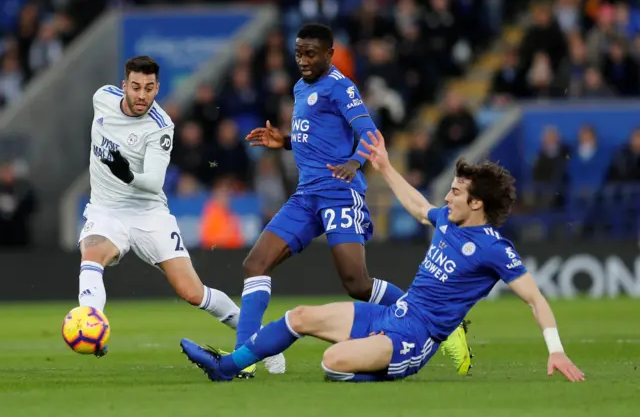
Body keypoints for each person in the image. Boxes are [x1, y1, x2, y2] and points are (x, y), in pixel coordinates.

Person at [180, 130, 585, 383]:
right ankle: (227, 367)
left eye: (456, 193)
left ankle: (379, 372)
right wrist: (386, 168)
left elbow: (536, 299)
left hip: (414, 338)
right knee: (299, 316)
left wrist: (555, 348)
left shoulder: (495, 249)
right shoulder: (448, 221)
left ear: (477, 204)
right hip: (392, 314)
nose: (447, 198)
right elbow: (417, 206)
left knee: (332, 363)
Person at [235, 23, 472, 378]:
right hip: (306, 196)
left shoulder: (341, 87)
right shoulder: (301, 87)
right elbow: (318, 137)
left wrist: (354, 162)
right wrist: (284, 141)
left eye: (311, 53)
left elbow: (370, 134)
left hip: (338, 194)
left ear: (330, 55)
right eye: (298, 52)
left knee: (357, 284)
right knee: (255, 264)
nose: (302, 59)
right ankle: (242, 358)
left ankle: (443, 323)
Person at [76, 55, 284, 374]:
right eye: (135, 87)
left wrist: (127, 173)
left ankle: (259, 340)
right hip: (106, 210)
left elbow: (154, 183)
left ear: (157, 88)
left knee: (192, 292)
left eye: (149, 88)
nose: (142, 95)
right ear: (123, 86)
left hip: (148, 214)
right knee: (92, 253)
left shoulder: (161, 126)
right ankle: (91, 324)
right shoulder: (102, 98)